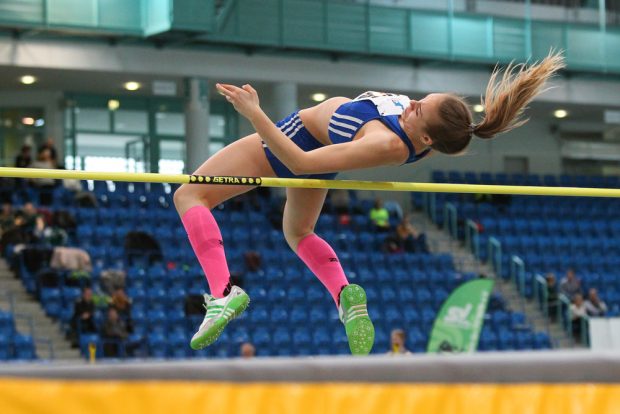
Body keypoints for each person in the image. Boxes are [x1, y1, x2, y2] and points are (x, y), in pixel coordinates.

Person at [173, 52, 564, 355]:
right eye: (420, 100)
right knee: (299, 232)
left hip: (300, 141)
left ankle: (223, 293)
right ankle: (345, 297)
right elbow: (444, 129)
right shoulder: (428, 139)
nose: (412, 103)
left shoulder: (388, 143)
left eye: (418, 109)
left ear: (426, 139)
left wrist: (255, 114)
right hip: (324, 150)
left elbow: (299, 162)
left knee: (190, 194)